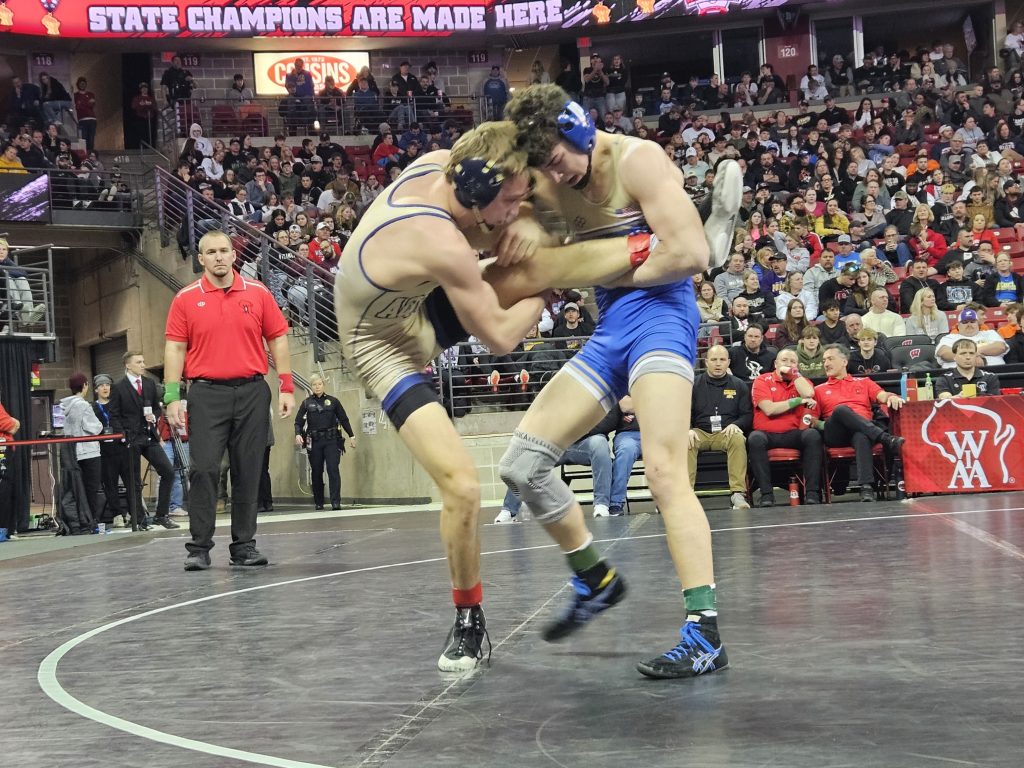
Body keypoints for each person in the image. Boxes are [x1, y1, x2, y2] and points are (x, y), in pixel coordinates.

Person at [334, 121, 638, 672]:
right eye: (509, 200)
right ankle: (469, 619)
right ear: (476, 191)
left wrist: (526, 220)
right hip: (381, 347)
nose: (517, 206)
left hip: (412, 305)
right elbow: (499, 337)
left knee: (536, 245)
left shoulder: (444, 163)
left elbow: (516, 203)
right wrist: (544, 292)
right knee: (463, 487)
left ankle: (651, 234)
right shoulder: (441, 243)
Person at [499, 84, 742, 679]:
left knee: (662, 469)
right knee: (522, 465)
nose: (555, 173)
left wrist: (600, 266)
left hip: (663, 317)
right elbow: (535, 251)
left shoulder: (640, 160)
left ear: (579, 129)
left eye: (557, 157)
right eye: (543, 165)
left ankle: (704, 632)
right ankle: (595, 580)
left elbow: (688, 258)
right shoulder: (547, 183)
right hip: (610, 327)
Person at [163, 231, 296, 571]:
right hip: (206, 394)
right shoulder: (186, 298)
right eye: (211, 252)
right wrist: (172, 396)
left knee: (248, 471)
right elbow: (175, 347)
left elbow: (278, 338)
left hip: (252, 391)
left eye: (224, 250)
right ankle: (199, 547)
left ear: (234, 256)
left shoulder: (258, 292)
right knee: (204, 468)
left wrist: (286, 386)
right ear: (201, 258)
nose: (219, 256)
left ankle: (244, 546)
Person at [814, 345, 905, 502]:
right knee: (841, 410)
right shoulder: (818, 389)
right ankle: (884, 438)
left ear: (844, 361)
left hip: (862, 429)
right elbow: (812, 420)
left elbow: (881, 395)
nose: (826, 364)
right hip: (835, 433)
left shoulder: (864, 382)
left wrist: (891, 397)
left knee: (861, 435)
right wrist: (822, 425)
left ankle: (866, 488)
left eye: (830, 359)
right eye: (824, 360)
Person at [108, 352, 179, 531]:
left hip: (149, 435)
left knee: (168, 471)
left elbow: (156, 408)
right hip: (130, 438)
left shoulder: (149, 384)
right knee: (134, 481)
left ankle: (161, 515)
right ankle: (139, 520)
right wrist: (122, 435)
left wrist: (154, 416)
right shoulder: (118, 387)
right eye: (138, 362)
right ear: (128, 365)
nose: (143, 365)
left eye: (143, 361)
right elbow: (113, 415)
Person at [747, 347, 822, 507]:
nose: (788, 364)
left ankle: (812, 493)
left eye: (793, 361)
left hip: (793, 433)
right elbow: (769, 409)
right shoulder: (762, 380)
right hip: (766, 434)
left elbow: (808, 394)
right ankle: (766, 495)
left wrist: (794, 374)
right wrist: (797, 401)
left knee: (812, 436)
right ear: (776, 363)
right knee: (754, 439)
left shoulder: (800, 381)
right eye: (784, 360)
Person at [690, 345, 753, 510]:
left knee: (738, 439)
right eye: (714, 360)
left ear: (728, 362)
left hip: (726, 432)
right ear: (706, 362)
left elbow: (747, 415)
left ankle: (737, 493)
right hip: (700, 432)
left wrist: (736, 425)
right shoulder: (693, 384)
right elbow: (683, 411)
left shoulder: (739, 385)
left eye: (722, 360)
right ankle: (686, 494)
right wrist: (688, 429)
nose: (718, 364)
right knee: (686, 441)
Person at [294, 374, 355, 511]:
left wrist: (351, 435)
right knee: (316, 471)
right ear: (311, 387)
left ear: (324, 385)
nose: (317, 387)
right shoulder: (306, 403)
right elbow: (298, 422)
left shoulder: (333, 401)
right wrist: (298, 434)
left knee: (333, 469)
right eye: (314, 384)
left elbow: (344, 419)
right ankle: (319, 501)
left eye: (319, 384)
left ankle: (335, 501)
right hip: (315, 441)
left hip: (331, 440)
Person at [60, 373, 104, 526]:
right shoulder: (83, 405)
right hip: (89, 452)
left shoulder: (66, 406)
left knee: (78, 489)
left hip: (74, 453)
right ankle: (91, 521)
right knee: (91, 489)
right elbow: (94, 427)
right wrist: (101, 425)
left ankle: (81, 521)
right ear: (85, 385)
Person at [91, 373, 129, 527]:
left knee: (130, 482)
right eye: (101, 385)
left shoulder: (117, 404)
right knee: (110, 484)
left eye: (107, 385)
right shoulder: (92, 408)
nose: (105, 388)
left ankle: (133, 512)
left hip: (122, 448)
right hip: (104, 451)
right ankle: (117, 514)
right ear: (96, 389)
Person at [936, 308, 1009, 368]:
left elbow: (1001, 347)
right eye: (965, 322)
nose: (969, 324)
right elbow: (944, 353)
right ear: (958, 325)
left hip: (994, 372)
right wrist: (975, 354)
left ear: (978, 324)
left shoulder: (990, 333)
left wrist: (972, 352)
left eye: (972, 321)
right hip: (957, 376)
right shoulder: (949, 338)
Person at [935, 338, 1002, 399]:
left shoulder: (990, 377)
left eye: (971, 353)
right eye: (963, 353)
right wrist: (954, 398)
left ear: (976, 355)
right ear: (954, 357)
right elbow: (943, 396)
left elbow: (995, 402)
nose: (968, 357)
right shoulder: (945, 379)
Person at [608, 395, 640, 517]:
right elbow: (625, 404)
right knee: (626, 450)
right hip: (628, 434)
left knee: (664, 453)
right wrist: (651, 405)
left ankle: (665, 502)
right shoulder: (626, 384)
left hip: (656, 434)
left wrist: (635, 406)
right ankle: (616, 502)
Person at [0, 387, 20, 540]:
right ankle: (2, 530)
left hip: (6, 450)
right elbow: (13, 426)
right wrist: (15, 421)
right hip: (3, 451)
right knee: (4, 490)